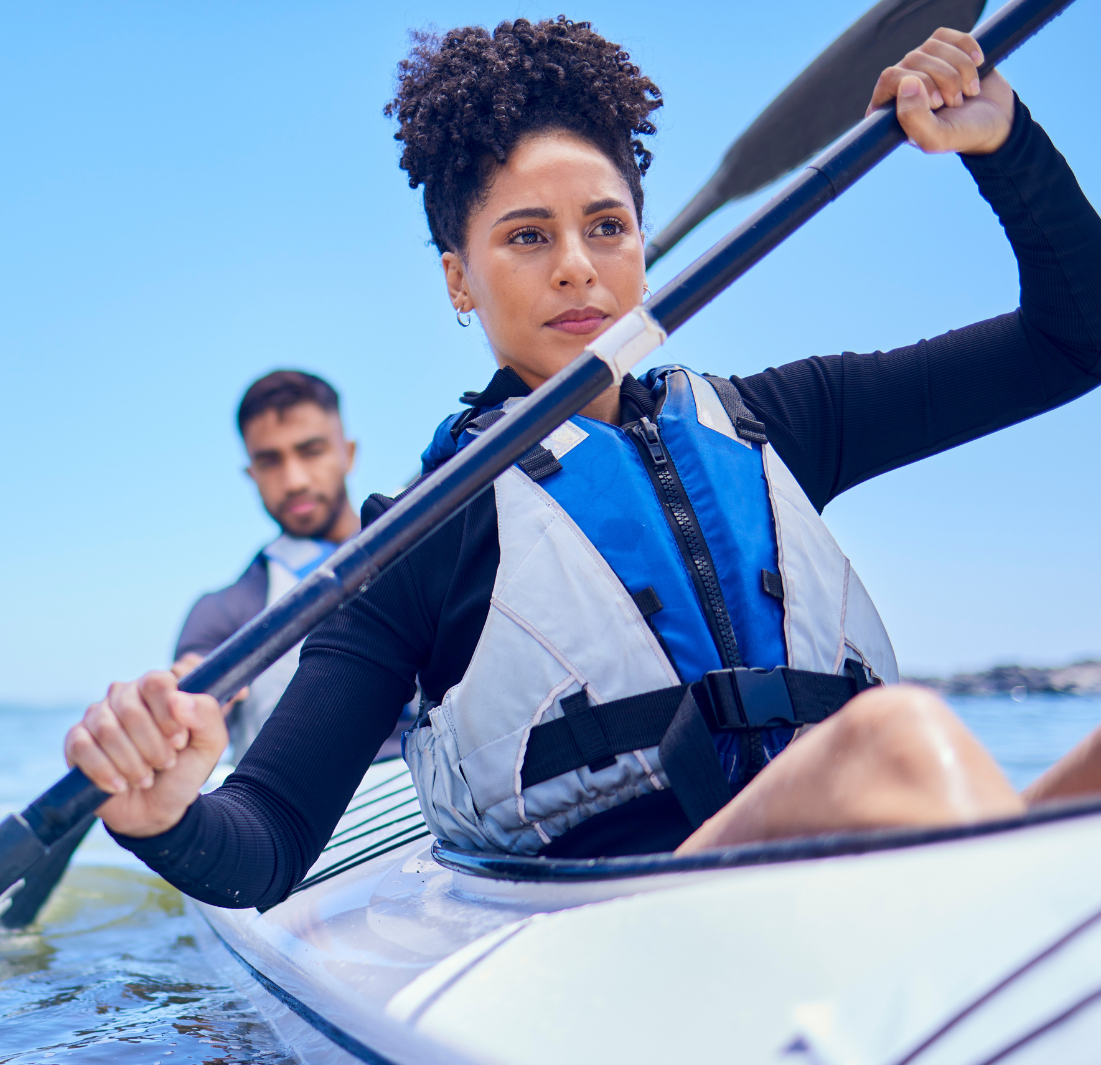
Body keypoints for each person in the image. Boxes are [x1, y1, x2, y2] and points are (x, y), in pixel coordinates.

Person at [64, 17, 1101, 910]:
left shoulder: (783, 419)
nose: (575, 264)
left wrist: (1003, 145)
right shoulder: (419, 531)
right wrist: (164, 818)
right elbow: (273, 839)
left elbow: (1076, 338)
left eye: (606, 226)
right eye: (526, 236)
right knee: (897, 740)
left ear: (644, 247)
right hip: (625, 913)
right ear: (457, 281)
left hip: (844, 864)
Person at [171, 370, 366, 763]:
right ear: (251, 475)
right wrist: (182, 705)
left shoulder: (429, 551)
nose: (293, 480)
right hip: (313, 816)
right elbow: (187, 722)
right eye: (270, 461)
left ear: (348, 454)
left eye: (311, 451)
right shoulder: (222, 612)